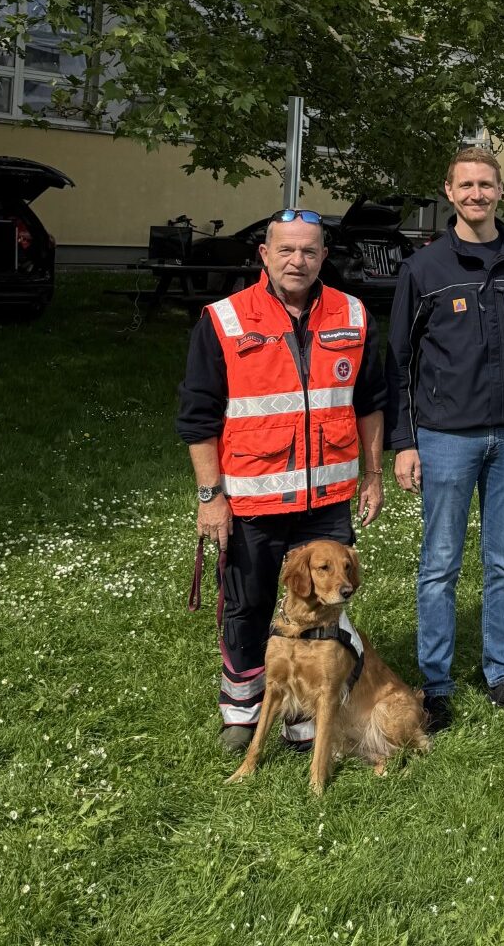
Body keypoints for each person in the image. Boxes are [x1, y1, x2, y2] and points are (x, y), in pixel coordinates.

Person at [177, 209, 386, 753]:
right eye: (286, 250)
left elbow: (370, 403)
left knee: (322, 607)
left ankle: (306, 712)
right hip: (250, 500)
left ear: (324, 256)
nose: (298, 260)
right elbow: (198, 416)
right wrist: (210, 496)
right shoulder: (224, 319)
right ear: (264, 256)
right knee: (247, 606)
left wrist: (373, 473)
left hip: (326, 502)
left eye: (310, 251)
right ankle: (241, 711)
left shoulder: (353, 314)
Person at [386, 147, 504, 732]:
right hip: (444, 438)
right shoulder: (425, 269)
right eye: (466, 185)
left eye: (486, 185)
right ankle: (434, 684)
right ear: (449, 191)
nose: (477, 194)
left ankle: (502, 672)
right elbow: (401, 363)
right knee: (439, 564)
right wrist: (405, 441)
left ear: (500, 192)